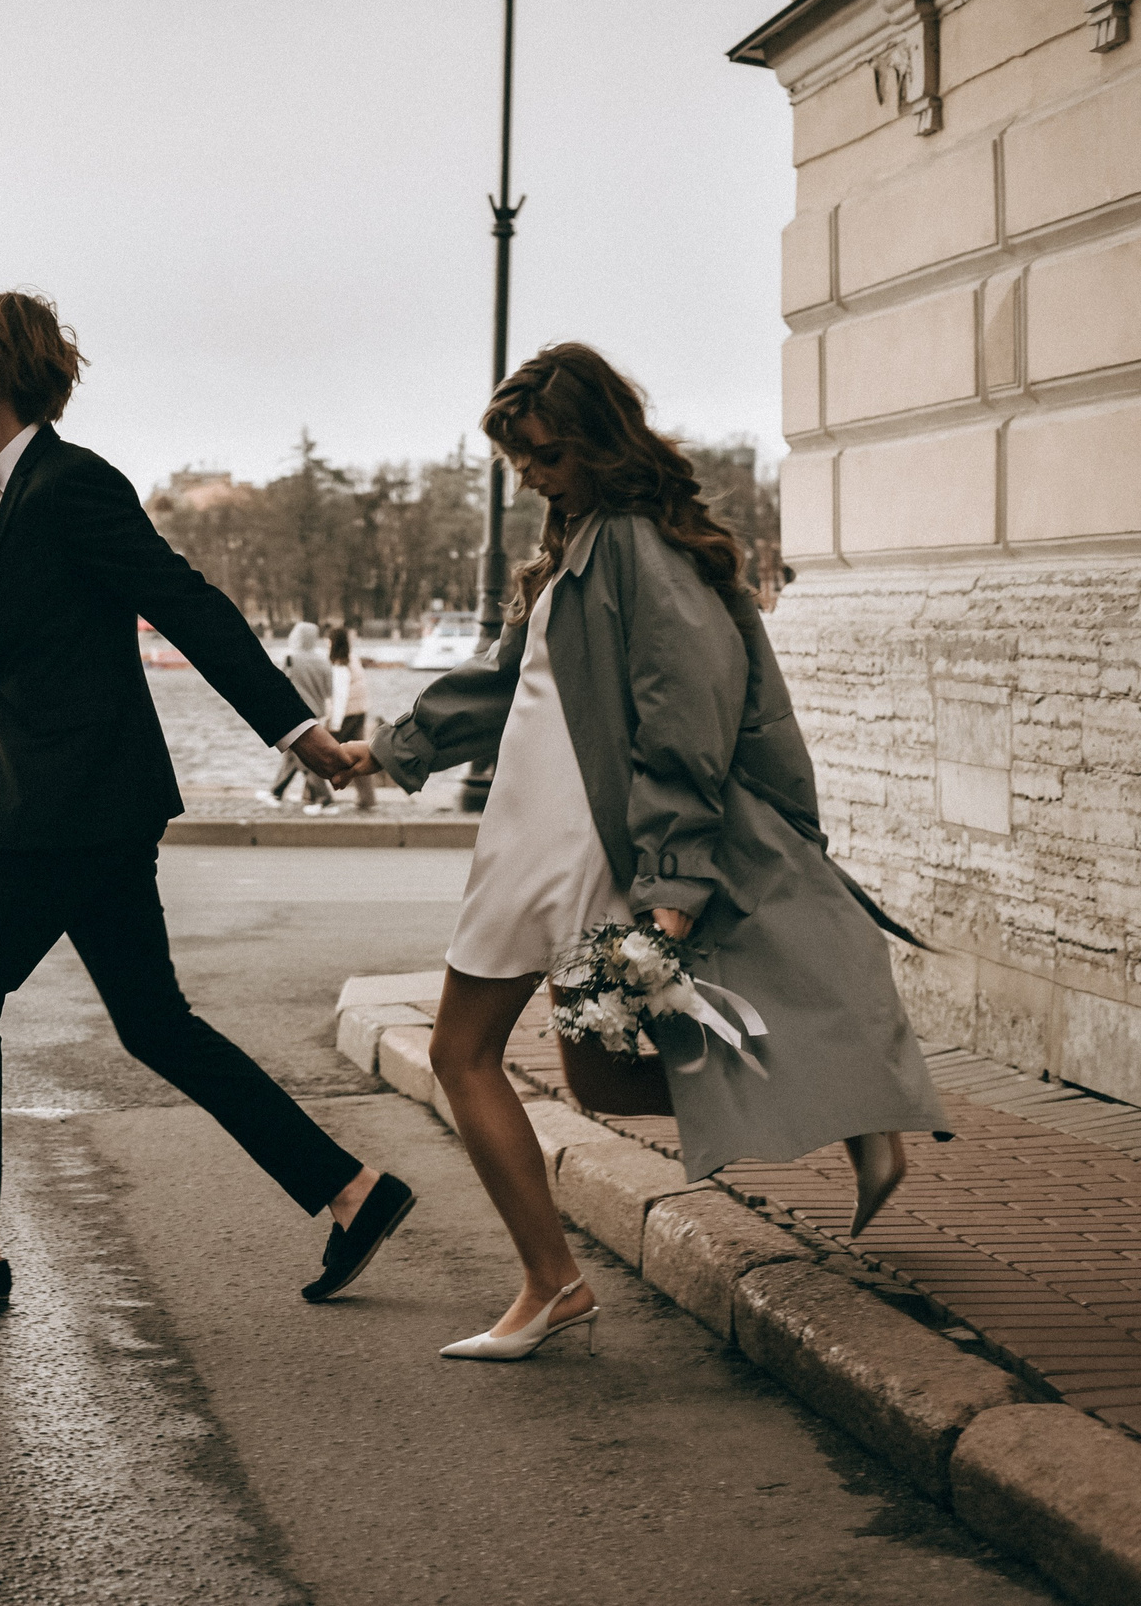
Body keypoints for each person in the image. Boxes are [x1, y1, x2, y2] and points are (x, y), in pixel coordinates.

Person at [340, 342, 949, 1361]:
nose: (528, 473)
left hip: (567, 838)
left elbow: (685, 715)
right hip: (534, 828)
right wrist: (386, 748)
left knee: (462, 1050)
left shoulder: (634, 545)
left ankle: (552, 1284)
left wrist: (671, 881)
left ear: (591, 439)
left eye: (540, 452)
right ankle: (855, 1111)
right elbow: (510, 689)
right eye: (517, 457)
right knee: (601, 1077)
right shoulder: (583, 537)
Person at [0, 291, 412, 1309]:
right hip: (79, 801)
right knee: (154, 1022)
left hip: (74, 806)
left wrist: (297, 732)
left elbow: (185, 601)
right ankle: (351, 1189)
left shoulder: (72, 484)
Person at [258, 623, 335, 808]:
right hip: (315, 714)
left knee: (302, 757)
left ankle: (325, 799)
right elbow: (328, 691)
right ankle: (276, 792)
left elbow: (279, 686)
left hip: (294, 714)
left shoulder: (291, 658)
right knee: (293, 755)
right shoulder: (323, 661)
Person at [313, 626, 375, 813]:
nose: (326, 643)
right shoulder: (352, 658)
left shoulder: (339, 664)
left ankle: (318, 795)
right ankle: (367, 798)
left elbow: (339, 697)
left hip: (345, 715)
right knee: (359, 756)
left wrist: (333, 723)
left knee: (316, 752)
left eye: (328, 640)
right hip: (359, 712)